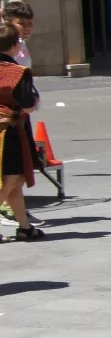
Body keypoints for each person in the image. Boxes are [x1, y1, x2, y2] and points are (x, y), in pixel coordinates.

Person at [0, 22, 41, 241]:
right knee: (12, 178)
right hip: (9, 130)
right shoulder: (18, 72)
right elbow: (27, 103)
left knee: (13, 181)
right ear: (15, 46)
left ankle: (24, 227)